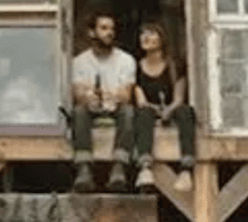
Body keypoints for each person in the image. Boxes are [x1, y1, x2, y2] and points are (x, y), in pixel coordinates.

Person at [69, 13, 137, 192]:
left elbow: (126, 95)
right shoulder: (79, 62)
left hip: (115, 109)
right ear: (92, 33)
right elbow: (78, 94)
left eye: (112, 29)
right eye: (104, 28)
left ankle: (119, 167)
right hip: (91, 109)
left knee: (128, 111)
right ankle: (83, 169)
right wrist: (88, 97)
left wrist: (109, 95)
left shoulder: (126, 60)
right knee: (79, 111)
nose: (110, 33)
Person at [131, 22, 196, 192]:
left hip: (171, 110)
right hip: (150, 111)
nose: (145, 37)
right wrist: (155, 110)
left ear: (162, 39)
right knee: (142, 113)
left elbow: (179, 98)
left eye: (151, 33)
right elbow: (141, 100)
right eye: (143, 33)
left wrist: (168, 110)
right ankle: (145, 168)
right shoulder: (137, 67)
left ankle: (186, 170)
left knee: (186, 111)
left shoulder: (174, 65)